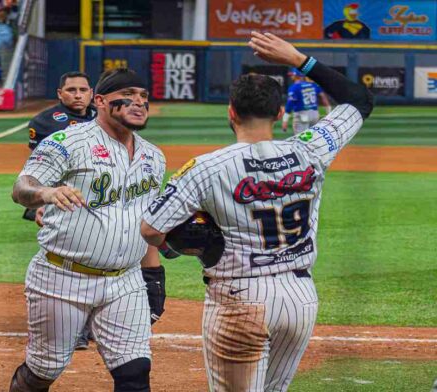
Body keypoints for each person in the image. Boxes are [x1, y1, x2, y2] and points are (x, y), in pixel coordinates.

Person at [140, 32, 373, 392]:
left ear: (231, 111)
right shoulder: (311, 149)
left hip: (239, 300)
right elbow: (359, 98)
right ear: (280, 112)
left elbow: (151, 230)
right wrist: (298, 59)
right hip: (300, 299)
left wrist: (194, 243)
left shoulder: (205, 167)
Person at [8, 68, 167, 392]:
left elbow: (146, 221)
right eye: (128, 95)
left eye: (144, 96)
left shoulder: (154, 157)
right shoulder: (68, 142)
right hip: (62, 277)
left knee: (135, 372)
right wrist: (45, 193)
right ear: (101, 101)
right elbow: (21, 187)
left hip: (125, 281)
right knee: (43, 370)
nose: (138, 102)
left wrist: (154, 273)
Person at [24, 71, 97, 348]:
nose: (77, 95)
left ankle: (90, 322)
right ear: (60, 93)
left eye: (83, 89)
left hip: (99, 198)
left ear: (92, 93)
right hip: (62, 199)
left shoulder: (103, 116)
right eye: (71, 90)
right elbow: (36, 168)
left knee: (97, 256)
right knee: (67, 258)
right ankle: (70, 324)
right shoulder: (44, 122)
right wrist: (40, 204)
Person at [282, 68, 332, 134]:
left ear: (297, 75)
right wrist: (329, 113)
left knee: (300, 139)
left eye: (292, 75)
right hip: (314, 115)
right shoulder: (313, 85)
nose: (291, 76)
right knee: (311, 137)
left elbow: (289, 104)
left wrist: (285, 120)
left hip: (302, 115)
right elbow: (323, 98)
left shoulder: (294, 87)